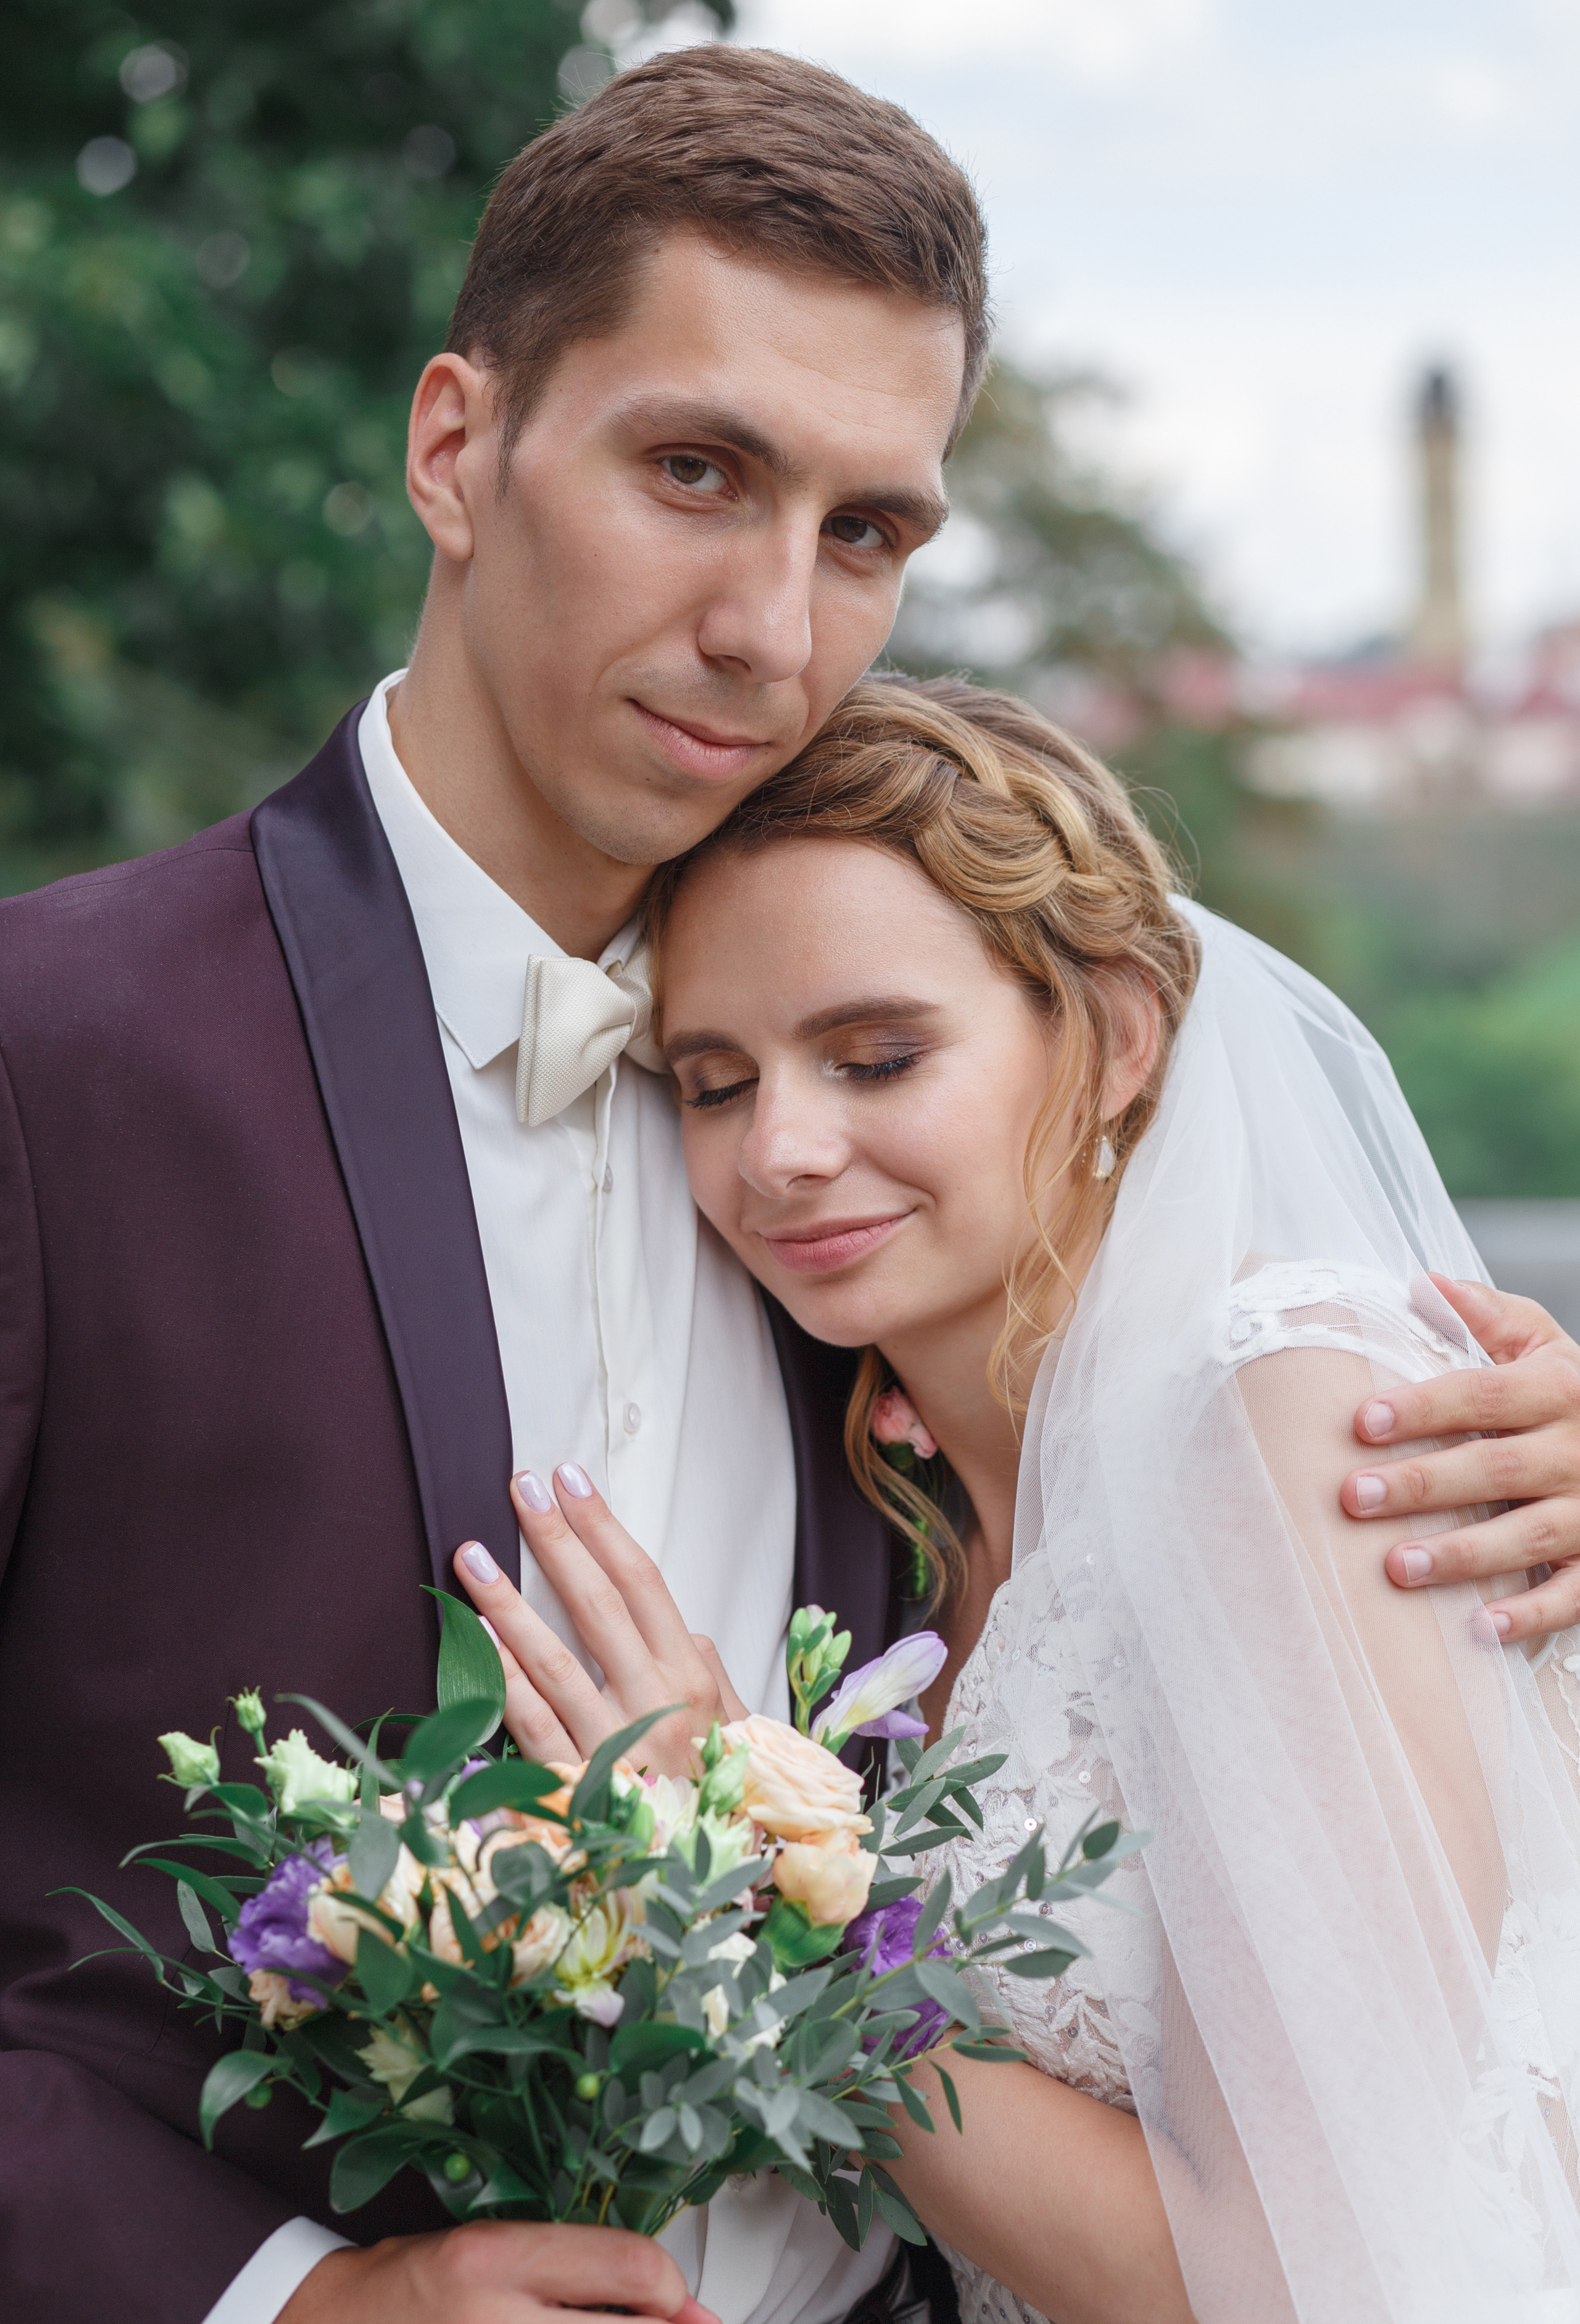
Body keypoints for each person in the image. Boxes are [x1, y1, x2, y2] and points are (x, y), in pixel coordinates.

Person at [1, 39, 1575, 2324]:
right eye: (695, 472)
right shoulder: (58, 1060)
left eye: (867, 535)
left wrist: (1521, 1492)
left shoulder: (911, 1200)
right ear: (454, 449)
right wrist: (292, 2304)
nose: (773, 627)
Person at [458, 675, 1580, 2322]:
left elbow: (1304, 2280)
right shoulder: (893, 1486)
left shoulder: (1288, 1421)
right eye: (715, 1082)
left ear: (1117, 1037)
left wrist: (746, 1893)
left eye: (876, 1057)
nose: (781, 1151)